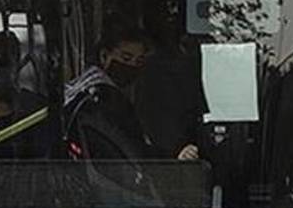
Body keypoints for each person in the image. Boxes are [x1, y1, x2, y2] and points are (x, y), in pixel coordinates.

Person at [65, 23, 199, 164]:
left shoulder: (81, 87)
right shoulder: (105, 97)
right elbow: (131, 149)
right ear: (104, 56)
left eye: (139, 61)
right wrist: (174, 155)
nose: (132, 66)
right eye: (126, 58)